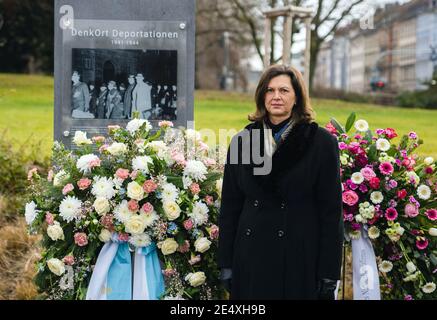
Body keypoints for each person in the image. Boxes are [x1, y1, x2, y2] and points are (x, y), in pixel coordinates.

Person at [218, 64, 344, 300]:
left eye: (284, 90)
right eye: (270, 90)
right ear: (261, 95)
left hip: (299, 258)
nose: (276, 97)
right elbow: (230, 208)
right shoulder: (242, 141)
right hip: (250, 256)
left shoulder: (321, 143)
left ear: (297, 96)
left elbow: (331, 212)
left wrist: (329, 271)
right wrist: (226, 262)